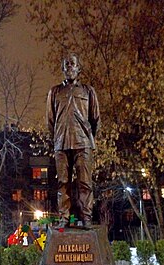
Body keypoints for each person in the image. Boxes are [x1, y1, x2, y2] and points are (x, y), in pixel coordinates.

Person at [46, 53, 100, 229]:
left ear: (79, 68)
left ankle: (86, 218)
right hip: (61, 143)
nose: (69, 67)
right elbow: (50, 121)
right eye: (66, 65)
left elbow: (95, 119)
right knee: (63, 183)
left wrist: (88, 136)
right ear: (62, 69)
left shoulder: (88, 91)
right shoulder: (54, 92)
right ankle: (64, 218)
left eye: (72, 64)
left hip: (83, 143)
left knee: (85, 182)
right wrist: (58, 136)